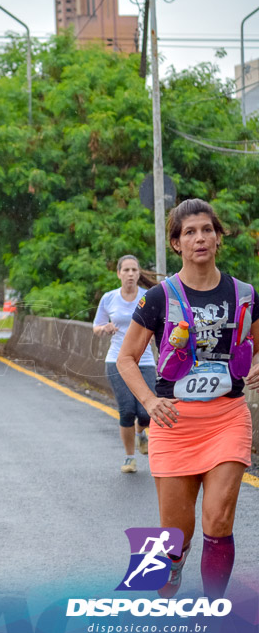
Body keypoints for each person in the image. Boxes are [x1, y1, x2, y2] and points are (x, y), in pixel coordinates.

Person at [117, 199, 258, 599]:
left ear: (218, 237)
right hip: (173, 423)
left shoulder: (245, 294)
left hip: (227, 417)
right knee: (175, 535)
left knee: (218, 519)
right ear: (176, 243)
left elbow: (257, 346)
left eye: (207, 230)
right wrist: (148, 401)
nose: (200, 238)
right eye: (190, 232)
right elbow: (127, 358)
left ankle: (213, 608)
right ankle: (169, 572)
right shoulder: (159, 297)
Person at [93, 255, 157, 474]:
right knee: (127, 411)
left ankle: (141, 434)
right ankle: (129, 458)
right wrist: (105, 328)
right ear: (119, 273)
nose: (130, 274)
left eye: (134, 270)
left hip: (145, 360)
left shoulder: (149, 297)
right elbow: (96, 326)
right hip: (117, 361)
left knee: (147, 412)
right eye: (126, 270)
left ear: (139, 274)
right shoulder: (109, 298)